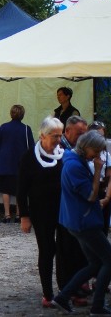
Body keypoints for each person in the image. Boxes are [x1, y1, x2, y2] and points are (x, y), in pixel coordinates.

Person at [51, 132, 111, 315]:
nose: (98, 156)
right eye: (97, 151)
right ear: (86, 147)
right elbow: (91, 195)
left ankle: (63, 297)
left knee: (94, 263)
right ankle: (97, 306)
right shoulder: (74, 166)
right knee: (108, 261)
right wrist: (99, 171)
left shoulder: (73, 160)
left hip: (77, 220)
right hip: (84, 222)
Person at [17, 117, 65, 308]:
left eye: (60, 136)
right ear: (43, 136)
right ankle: (48, 293)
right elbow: (21, 190)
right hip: (40, 212)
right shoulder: (29, 157)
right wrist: (24, 216)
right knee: (47, 250)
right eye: (55, 136)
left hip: (62, 211)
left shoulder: (64, 154)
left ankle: (65, 289)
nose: (58, 140)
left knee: (63, 250)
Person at [55, 115, 89, 299]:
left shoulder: (80, 150)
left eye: (84, 134)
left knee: (77, 247)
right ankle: (66, 286)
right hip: (63, 206)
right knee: (65, 248)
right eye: (79, 133)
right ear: (67, 131)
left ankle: (76, 282)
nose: (82, 137)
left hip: (76, 207)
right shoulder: (59, 149)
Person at [0, 105, 34, 223]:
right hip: (21, 163)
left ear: (11, 114)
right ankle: (19, 215)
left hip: (5, 162)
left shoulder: (4, 127)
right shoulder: (26, 129)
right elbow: (31, 147)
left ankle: (7, 215)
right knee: (20, 190)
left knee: (5, 190)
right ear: (23, 115)